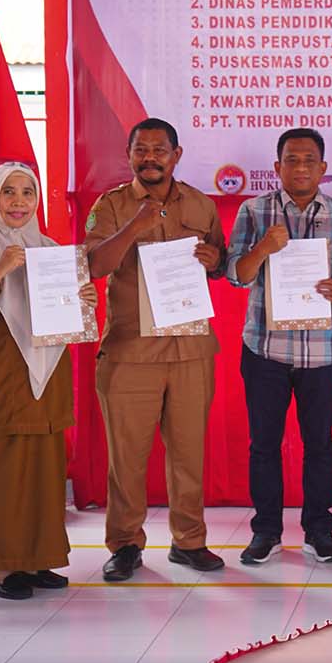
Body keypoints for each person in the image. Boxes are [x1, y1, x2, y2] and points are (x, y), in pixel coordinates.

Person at [85, 118, 228, 580]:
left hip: (190, 349)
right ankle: (125, 544)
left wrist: (214, 260)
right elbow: (93, 265)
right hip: (131, 351)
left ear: (175, 155)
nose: (150, 158)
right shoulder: (111, 205)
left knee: (189, 454)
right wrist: (135, 226)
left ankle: (189, 541)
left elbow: (219, 262)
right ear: (129, 155)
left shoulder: (202, 204)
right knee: (126, 458)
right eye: (140, 150)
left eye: (159, 150)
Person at [227, 128, 332, 565]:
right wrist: (263, 249)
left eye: (310, 160)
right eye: (292, 159)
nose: (301, 167)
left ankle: (319, 531)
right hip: (264, 349)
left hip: (322, 353)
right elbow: (236, 274)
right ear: (277, 167)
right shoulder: (254, 210)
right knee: (264, 445)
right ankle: (266, 532)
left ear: (323, 168)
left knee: (320, 445)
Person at [0, 163, 95, 599]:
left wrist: (83, 301)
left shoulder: (50, 251)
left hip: (44, 379)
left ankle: (34, 558)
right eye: (9, 192)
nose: (19, 202)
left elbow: (65, 320)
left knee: (41, 470)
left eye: (28, 192)